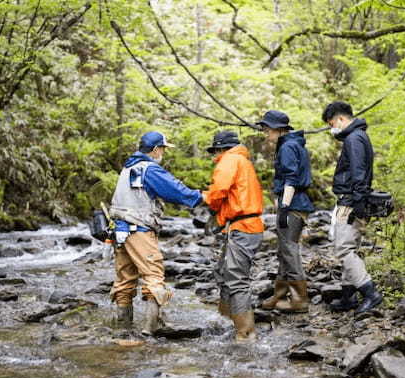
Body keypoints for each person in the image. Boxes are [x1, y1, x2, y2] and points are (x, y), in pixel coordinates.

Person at [109, 131, 203, 335]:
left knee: (125, 279)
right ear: (154, 150)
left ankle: (122, 326)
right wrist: (200, 197)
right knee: (153, 274)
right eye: (163, 148)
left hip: (119, 231)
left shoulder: (127, 168)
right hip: (139, 230)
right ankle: (152, 327)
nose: (163, 153)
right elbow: (175, 191)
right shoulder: (149, 169)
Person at [321, 101, 382, 314]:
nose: (332, 129)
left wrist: (356, 203)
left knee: (344, 249)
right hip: (353, 199)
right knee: (350, 248)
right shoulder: (358, 136)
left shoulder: (354, 139)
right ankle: (349, 296)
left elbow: (358, 173)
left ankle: (370, 293)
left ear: (341, 119)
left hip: (350, 201)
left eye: (331, 124)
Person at [203, 130, 264, 343]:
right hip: (244, 225)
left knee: (236, 279)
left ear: (221, 148)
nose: (214, 157)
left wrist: (207, 201)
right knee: (222, 272)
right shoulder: (242, 161)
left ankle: (245, 334)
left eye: (215, 151)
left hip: (243, 226)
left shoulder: (229, 160)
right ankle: (226, 319)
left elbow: (218, 191)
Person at [257, 110, 314, 313]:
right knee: (283, 250)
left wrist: (283, 207)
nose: (264, 131)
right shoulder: (290, 144)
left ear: (279, 128)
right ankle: (280, 295)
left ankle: (300, 300)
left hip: (293, 204)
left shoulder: (288, 147)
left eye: (267, 127)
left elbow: (291, 178)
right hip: (295, 203)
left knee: (289, 250)